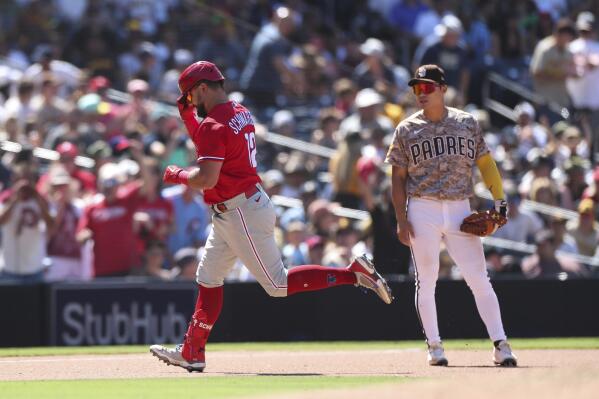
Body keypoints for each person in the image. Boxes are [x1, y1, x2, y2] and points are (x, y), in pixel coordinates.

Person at [150, 60, 393, 372]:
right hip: (239, 206)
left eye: (189, 95)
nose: (189, 101)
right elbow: (211, 143)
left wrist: (177, 174)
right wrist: (187, 115)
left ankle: (352, 273)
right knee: (208, 278)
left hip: (238, 210)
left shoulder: (213, 124)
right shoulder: (238, 111)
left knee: (277, 284)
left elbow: (207, 177)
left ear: (202, 88)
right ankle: (192, 351)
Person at [385, 64, 516, 367]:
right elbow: (397, 178)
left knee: (479, 279)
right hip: (422, 207)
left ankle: (501, 344)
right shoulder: (406, 128)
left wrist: (499, 199)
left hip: (460, 207)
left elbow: (485, 163)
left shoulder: (466, 122)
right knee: (426, 280)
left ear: (443, 89)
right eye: (417, 88)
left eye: (428, 87)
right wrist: (401, 219)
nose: (421, 93)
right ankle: (434, 347)